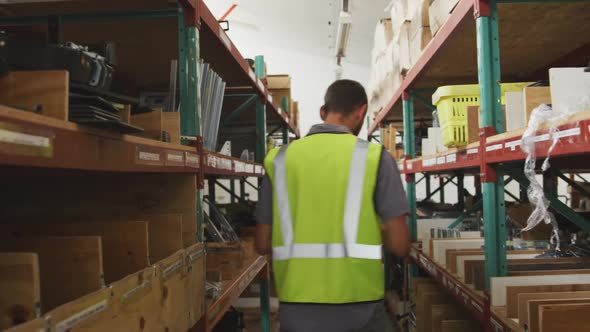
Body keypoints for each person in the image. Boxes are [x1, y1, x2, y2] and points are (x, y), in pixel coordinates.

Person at [256, 79, 411, 332]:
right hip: (361, 307)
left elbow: (262, 243)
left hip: (296, 306)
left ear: (322, 111)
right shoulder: (375, 158)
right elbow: (400, 244)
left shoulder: (279, 160)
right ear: (361, 111)